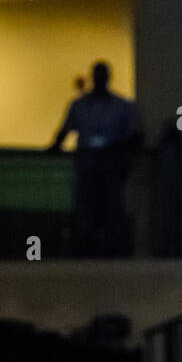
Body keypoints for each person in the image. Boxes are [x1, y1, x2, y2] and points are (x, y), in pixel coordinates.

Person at [49, 61, 142, 257]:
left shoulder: (121, 106)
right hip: (87, 165)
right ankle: (84, 248)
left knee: (111, 207)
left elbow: (133, 136)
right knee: (86, 207)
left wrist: (116, 147)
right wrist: (55, 147)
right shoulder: (79, 105)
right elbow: (65, 130)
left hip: (111, 166)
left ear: (108, 78)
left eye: (103, 75)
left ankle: (112, 249)